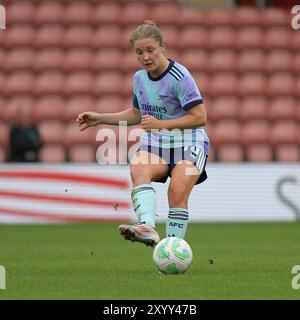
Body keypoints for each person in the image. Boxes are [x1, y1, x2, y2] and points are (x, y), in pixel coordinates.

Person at [77, 20, 210, 247]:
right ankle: (147, 227)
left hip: (189, 142)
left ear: (162, 47)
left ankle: (172, 248)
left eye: (150, 50)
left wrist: (161, 125)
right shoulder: (139, 78)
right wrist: (100, 118)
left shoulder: (180, 76)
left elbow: (200, 117)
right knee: (138, 166)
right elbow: (137, 114)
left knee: (177, 192)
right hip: (156, 144)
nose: (145, 57)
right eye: (139, 52)